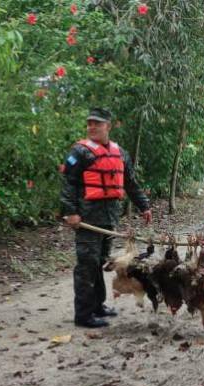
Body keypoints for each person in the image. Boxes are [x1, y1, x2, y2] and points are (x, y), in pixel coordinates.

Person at [61, 108, 152, 328]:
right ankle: (83, 315)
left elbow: (130, 182)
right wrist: (70, 212)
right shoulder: (79, 153)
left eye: (97, 124)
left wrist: (144, 206)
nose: (92, 127)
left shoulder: (120, 153)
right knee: (87, 264)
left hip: (109, 218)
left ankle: (97, 305)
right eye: (89, 123)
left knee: (100, 262)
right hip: (87, 218)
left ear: (107, 127)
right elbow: (68, 184)